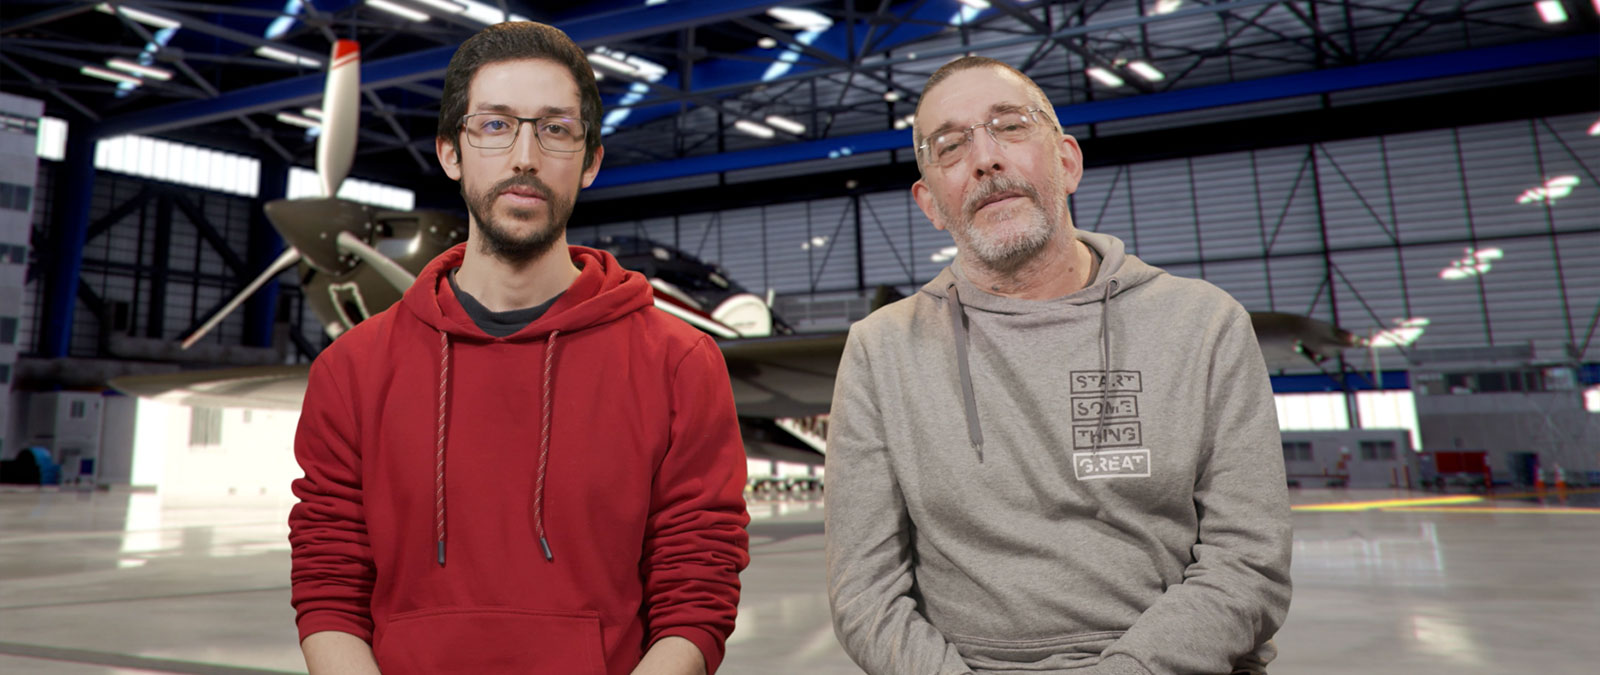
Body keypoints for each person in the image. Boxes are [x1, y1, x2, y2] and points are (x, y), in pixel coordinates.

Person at [288, 22, 749, 675]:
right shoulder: (350, 369)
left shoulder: (679, 361)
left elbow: (697, 590)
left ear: (589, 160)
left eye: (555, 128)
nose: (525, 155)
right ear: (451, 152)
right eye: (496, 126)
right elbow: (328, 584)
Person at [824, 56, 1292, 675]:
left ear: (1067, 161)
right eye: (950, 145)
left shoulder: (1203, 322)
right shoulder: (880, 348)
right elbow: (865, 590)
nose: (986, 158)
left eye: (1010, 126)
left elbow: (1249, 560)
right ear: (930, 203)